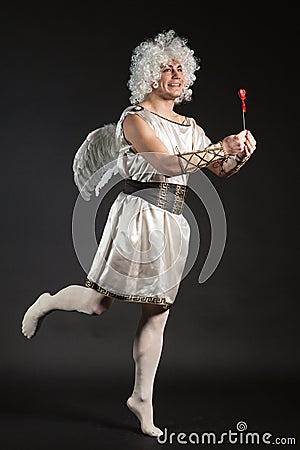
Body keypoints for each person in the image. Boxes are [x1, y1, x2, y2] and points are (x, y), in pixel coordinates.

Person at [21, 29, 256, 438]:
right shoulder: (134, 120)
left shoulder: (190, 126)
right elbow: (167, 165)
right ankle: (47, 302)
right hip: (137, 218)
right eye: (166, 67)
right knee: (98, 305)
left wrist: (239, 154)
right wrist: (222, 146)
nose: (175, 73)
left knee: (158, 312)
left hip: (173, 223)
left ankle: (141, 401)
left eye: (180, 67)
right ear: (149, 75)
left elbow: (219, 170)